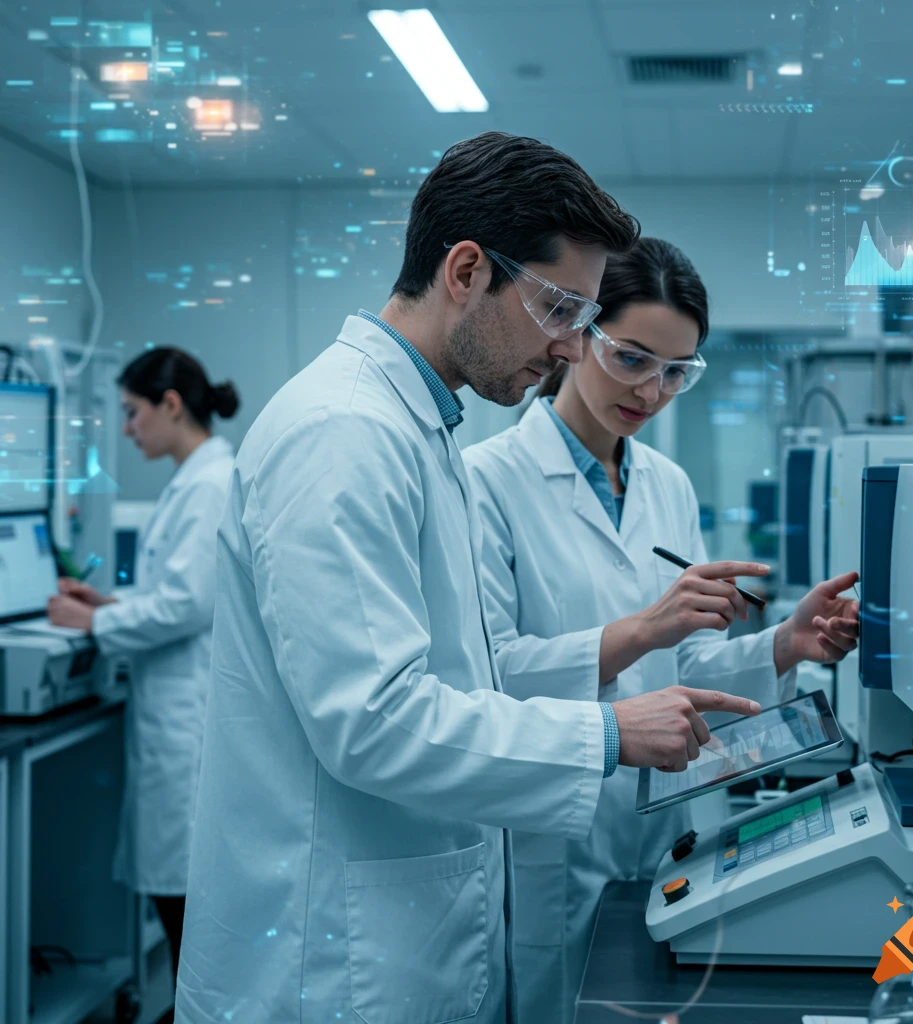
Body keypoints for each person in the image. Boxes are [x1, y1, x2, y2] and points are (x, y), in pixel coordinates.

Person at [173, 133, 765, 1024]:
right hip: (328, 965)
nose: (573, 348)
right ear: (464, 271)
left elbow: (469, 676)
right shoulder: (344, 432)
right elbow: (373, 719)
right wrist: (604, 736)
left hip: (403, 936)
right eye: (561, 309)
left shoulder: (420, 430)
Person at [464, 237, 860, 1024]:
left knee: (650, 999)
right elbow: (489, 676)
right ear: (580, 337)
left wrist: (785, 643)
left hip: (665, 818)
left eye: (677, 372)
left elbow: (694, 664)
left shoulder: (666, 485)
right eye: (634, 359)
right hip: (552, 826)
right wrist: (640, 631)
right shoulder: (489, 481)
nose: (652, 391)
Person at [47, 347, 238, 1022]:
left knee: (187, 905)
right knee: (180, 897)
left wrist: (94, 627)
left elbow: (186, 606)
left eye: (131, 412)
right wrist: (108, 606)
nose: (126, 429)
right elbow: (177, 594)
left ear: (171, 405)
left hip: (186, 724)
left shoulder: (211, 483)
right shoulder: (195, 479)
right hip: (175, 712)